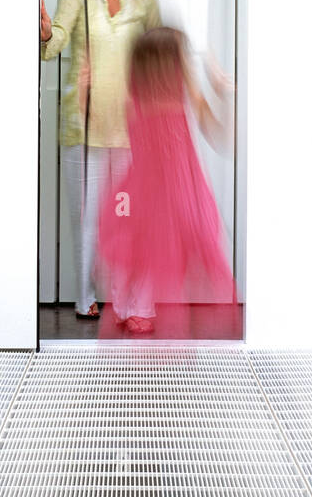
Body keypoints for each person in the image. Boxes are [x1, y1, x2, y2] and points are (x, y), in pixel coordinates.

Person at [39, 0, 161, 318]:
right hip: (82, 125)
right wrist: (44, 34)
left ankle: (128, 304)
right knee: (88, 220)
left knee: (126, 220)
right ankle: (85, 297)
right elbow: (55, 44)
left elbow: (157, 58)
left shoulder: (145, 0)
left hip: (130, 131)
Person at [96, 25, 240, 338]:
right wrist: (224, 92)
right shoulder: (180, 100)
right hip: (165, 189)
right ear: (171, 64)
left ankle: (128, 305)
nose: (189, 63)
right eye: (184, 57)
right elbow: (221, 138)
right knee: (151, 244)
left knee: (135, 244)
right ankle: (137, 308)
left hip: (138, 189)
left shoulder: (133, 99)